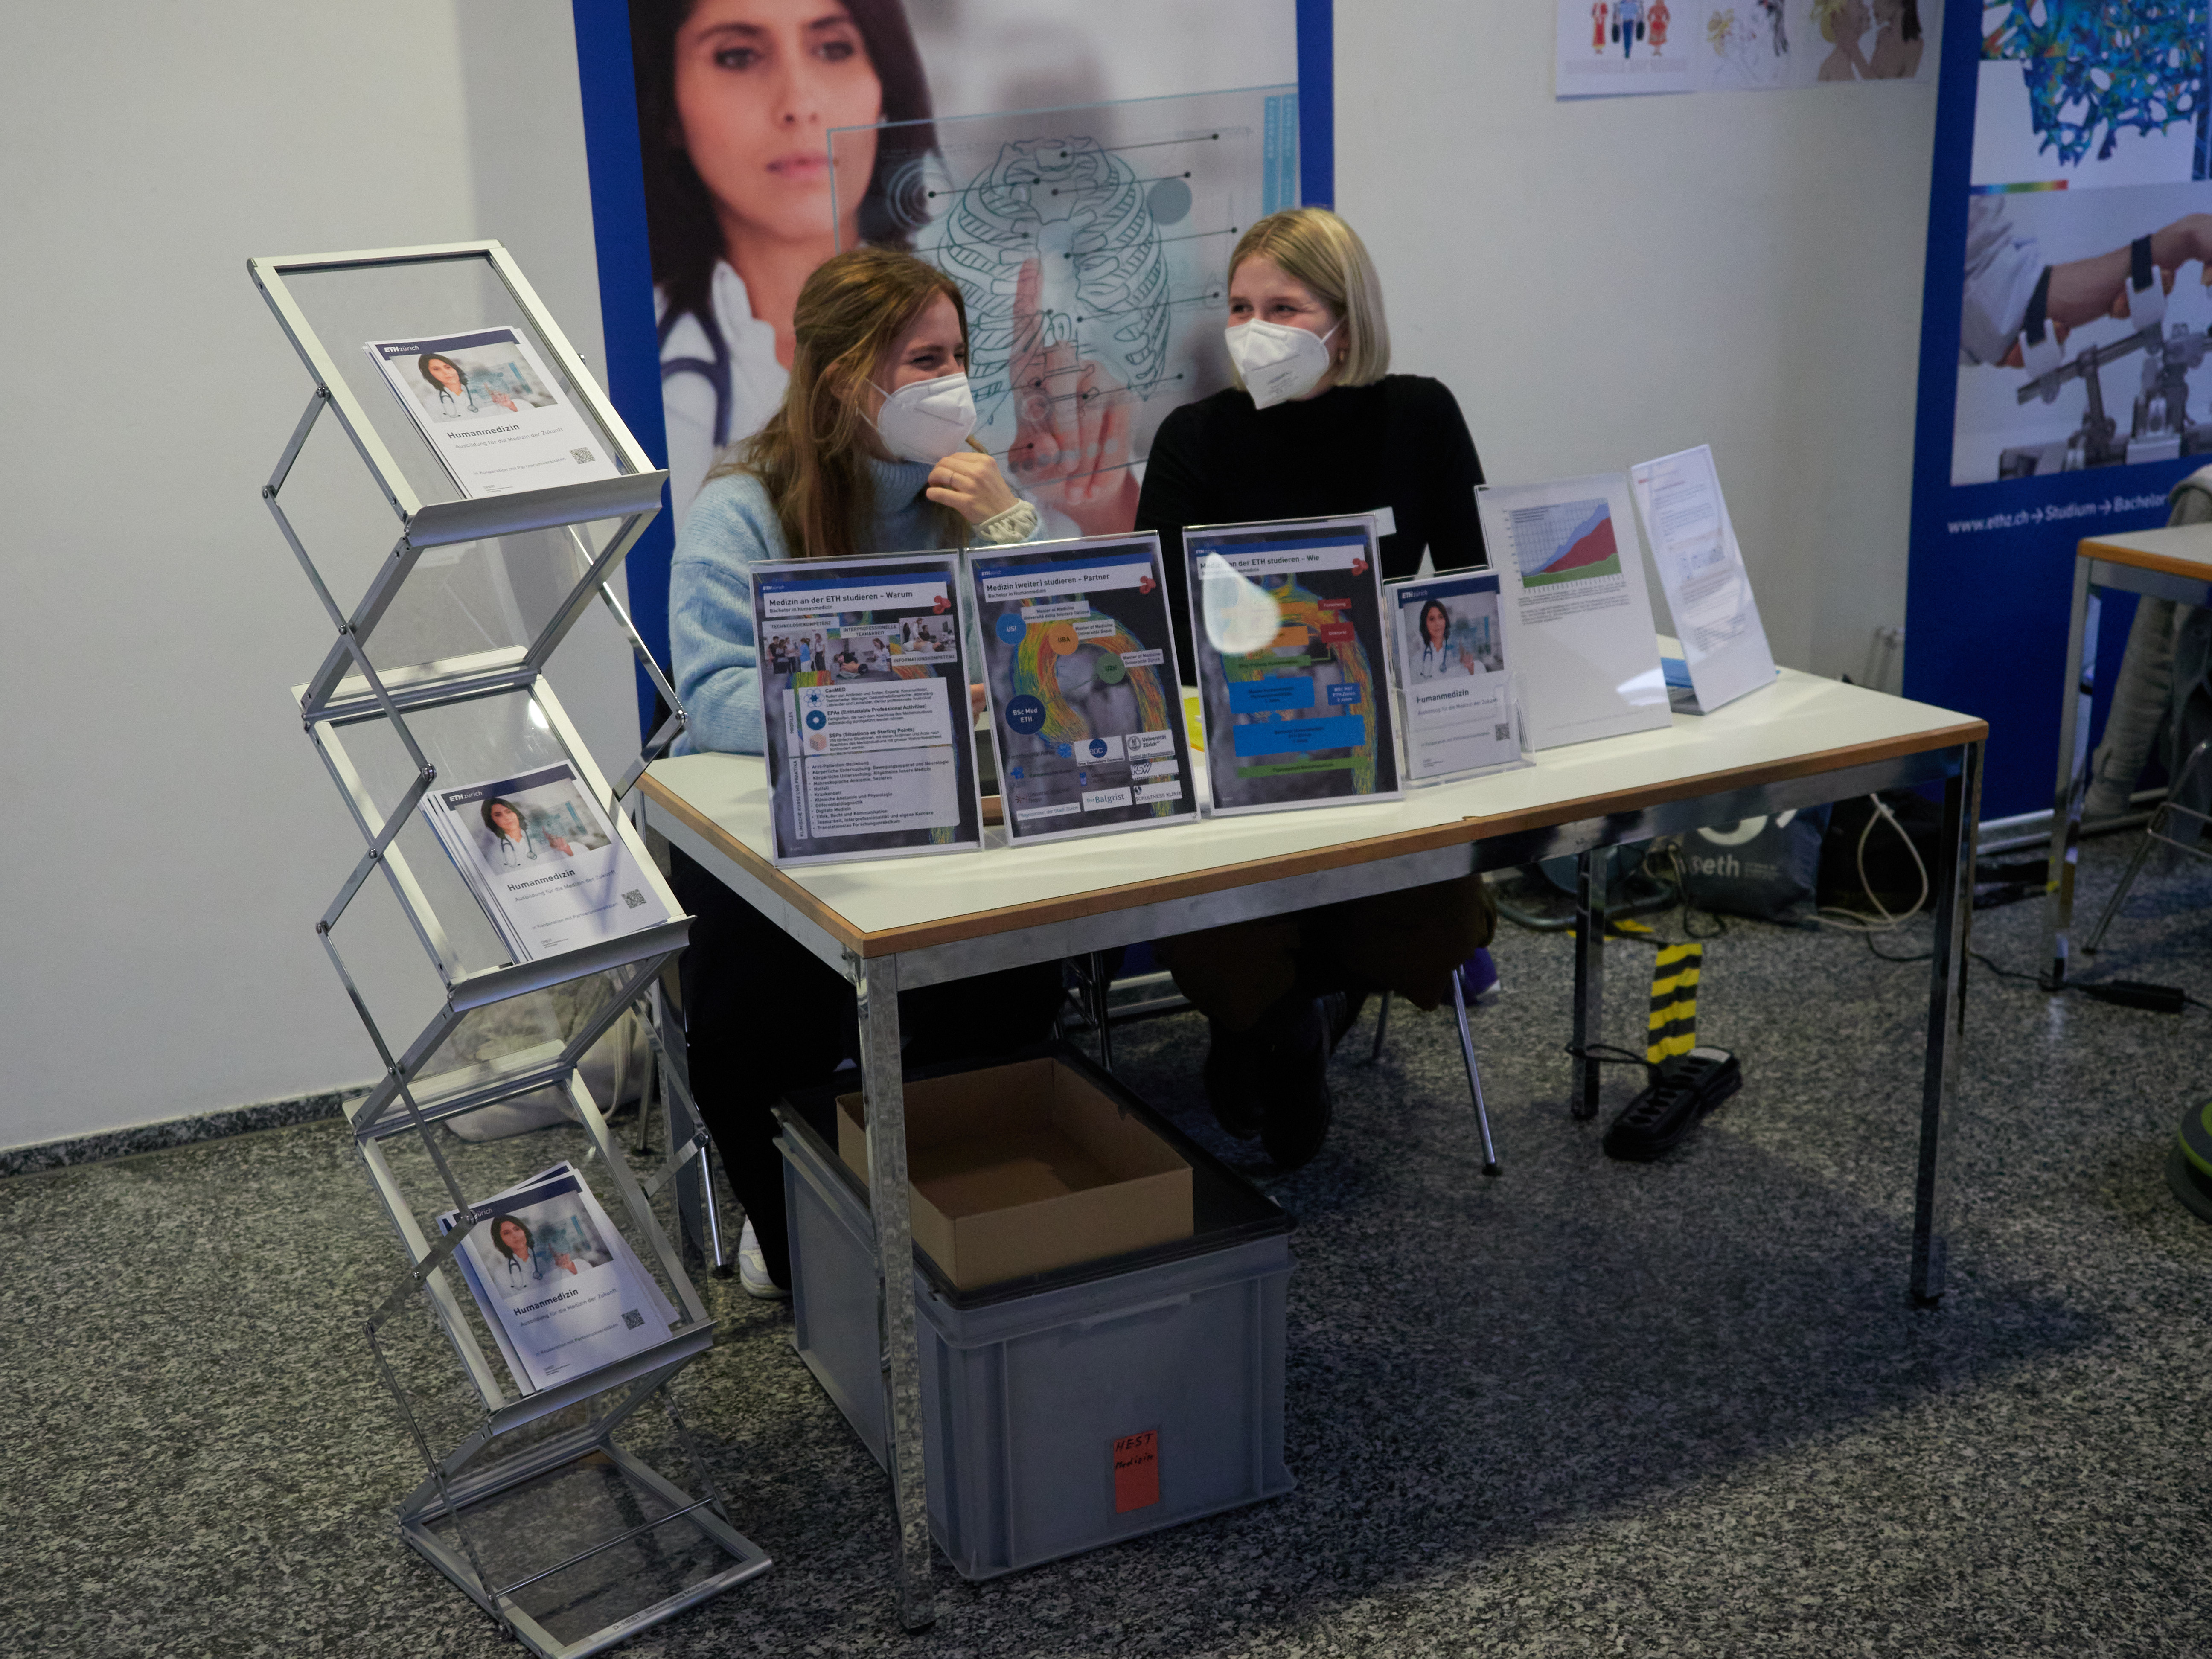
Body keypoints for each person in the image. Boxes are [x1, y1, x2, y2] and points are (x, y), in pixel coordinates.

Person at [667, 246, 1067, 1298]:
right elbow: (714, 698)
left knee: (1014, 971)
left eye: (958, 356)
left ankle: (945, 1194)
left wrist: (1009, 528)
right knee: (750, 1002)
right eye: (924, 361)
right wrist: (900, 708)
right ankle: (792, 1216)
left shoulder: (970, 491)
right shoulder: (744, 505)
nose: (954, 383)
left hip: (944, 811)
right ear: (846, 380)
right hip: (774, 823)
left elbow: (1063, 650)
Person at [1135, 207, 1498, 1170]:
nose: (1253, 329)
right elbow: (1155, 621)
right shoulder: (1195, 437)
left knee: (1441, 926)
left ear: (1344, 321)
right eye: (1239, 307)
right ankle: (1280, 1027)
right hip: (1239, 761)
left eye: (1283, 308)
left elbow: (1471, 586)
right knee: (1219, 942)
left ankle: (1308, 1008)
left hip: (1382, 760)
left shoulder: (1419, 416)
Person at [478, 797, 575, 869]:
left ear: (516, 814)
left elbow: (572, 860)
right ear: (492, 821)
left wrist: (565, 849)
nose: (507, 818)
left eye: (509, 812)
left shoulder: (542, 835)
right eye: (498, 815)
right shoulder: (495, 854)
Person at [417, 352, 518, 420]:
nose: (446, 373)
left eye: (448, 367)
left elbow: (514, 413)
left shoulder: (483, 388)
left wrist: (509, 405)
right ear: (429, 375)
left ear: (455, 369)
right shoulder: (432, 402)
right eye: (436, 369)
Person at [1411, 598, 1471, 682]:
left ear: (1445, 621)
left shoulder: (1457, 652)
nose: (1437, 623)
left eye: (1441, 617)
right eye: (1432, 619)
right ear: (1425, 624)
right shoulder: (1417, 660)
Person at [1866, 0, 1921, 79]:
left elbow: (1906, 83)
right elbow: (1870, 80)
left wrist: (1854, 50)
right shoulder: (1883, 36)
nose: (1874, 5)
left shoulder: (1915, 45)